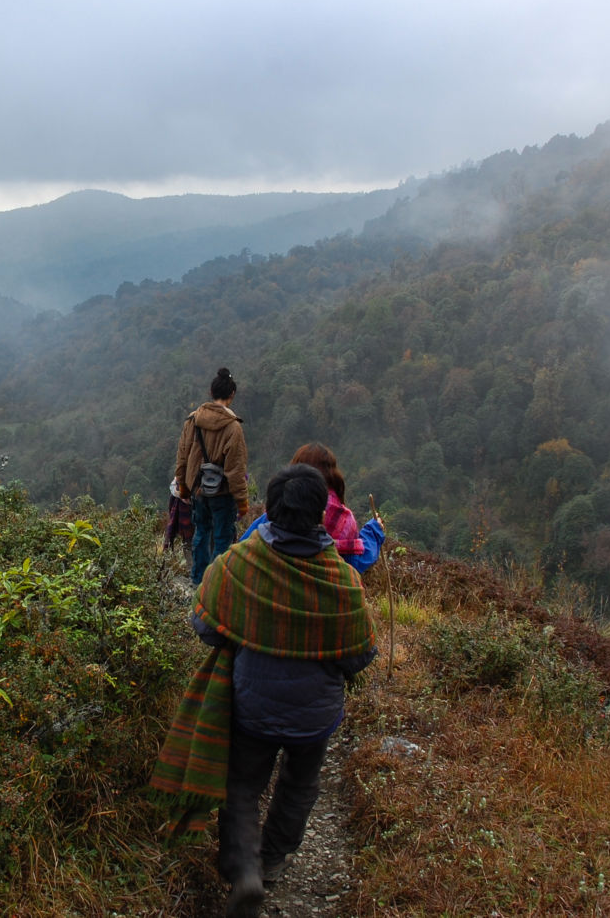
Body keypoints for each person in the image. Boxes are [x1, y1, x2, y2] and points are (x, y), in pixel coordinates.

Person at [150, 464, 377, 917]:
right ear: (320, 515)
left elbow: (205, 627)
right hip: (315, 717)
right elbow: (359, 657)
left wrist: (251, 631)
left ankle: (245, 869)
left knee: (243, 785)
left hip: (252, 705)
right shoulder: (343, 582)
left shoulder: (239, 563)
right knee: (300, 785)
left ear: (269, 510)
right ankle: (273, 859)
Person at [239, 442, 384, 574]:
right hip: (323, 595)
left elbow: (243, 547)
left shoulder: (279, 509)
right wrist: (374, 531)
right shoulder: (343, 519)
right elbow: (355, 563)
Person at [175, 368, 249, 584]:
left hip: (197, 489)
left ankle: (198, 581)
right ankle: (217, 585)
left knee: (201, 533)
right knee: (222, 538)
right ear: (232, 394)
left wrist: (183, 486)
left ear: (211, 391)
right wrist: (243, 501)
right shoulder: (233, 427)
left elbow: (182, 456)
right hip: (223, 493)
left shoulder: (193, 420)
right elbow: (236, 469)